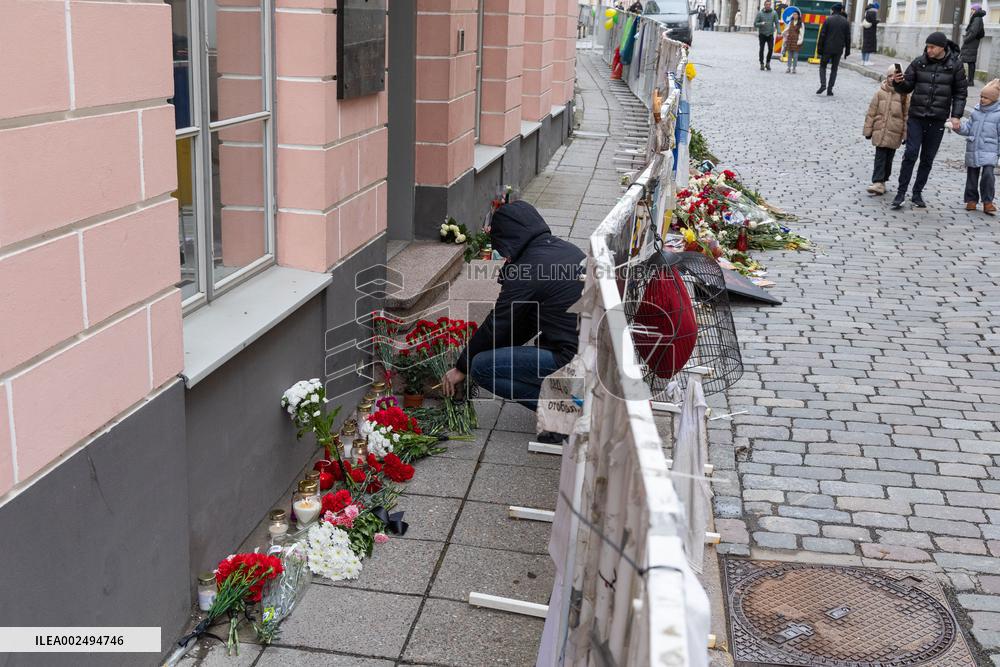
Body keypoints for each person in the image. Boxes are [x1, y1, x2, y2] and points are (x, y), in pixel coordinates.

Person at [441, 201, 585, 417]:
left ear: (508, 237)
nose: (502, 254)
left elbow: (497, 324)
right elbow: (525, 322)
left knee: (481, 366)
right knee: (492, 357)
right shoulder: (564, 249)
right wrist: (500, 350)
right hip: (597, 357)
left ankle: (567, 412)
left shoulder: (526, 269)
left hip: (574, 362)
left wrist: (462, 367)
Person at [889, 31, 968, 209]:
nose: (928, 49)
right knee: (911, 153)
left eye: (932, 47)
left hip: (938, 119)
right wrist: (898, 82)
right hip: (917, 116)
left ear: (942, 47)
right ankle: (901, 193)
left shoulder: (955, 65)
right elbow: (906, 88)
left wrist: (956, 115)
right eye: (927, 46)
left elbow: (960, 93)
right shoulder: (919, 62)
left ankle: (917, 193)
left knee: (927, 158)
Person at [953, 79, 1000, 215]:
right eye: (981, 96)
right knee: (972, 175)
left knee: (988, 176)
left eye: (986, 97)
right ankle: (971, 200)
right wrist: (957, 127)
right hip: (974, 147)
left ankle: (988, 202)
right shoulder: (976, 112)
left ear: (993, 99)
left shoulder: (998, 114)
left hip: (990, 150)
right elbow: (968, 128)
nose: (982, 99)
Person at [864, 66, 910, 195]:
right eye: (889, 76)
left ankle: (883, 180)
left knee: (889, 158)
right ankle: (878, 181)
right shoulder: (879, 93)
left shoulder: (904, 95)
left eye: (894, 76)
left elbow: (907, 116)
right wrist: (868, 130)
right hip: (880, 131)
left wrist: (906, 134)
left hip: (895, 132)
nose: (892, 79)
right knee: (880, 156)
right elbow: (871, 112)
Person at [816, 3, 851, 95]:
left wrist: (819, 48)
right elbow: (848, 37)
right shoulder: (845, 22)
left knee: (823, 66)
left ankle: (823, 84)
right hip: (838, 49)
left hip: (827, 48)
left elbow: (822, 35)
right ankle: (830, 89)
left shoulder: (828, 20)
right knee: (834, 69)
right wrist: (847, 50)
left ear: (833, 10)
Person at [961, 4, 986, 86]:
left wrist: (966, 39)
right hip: (973, 42)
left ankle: (968, 80)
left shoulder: (977, 18)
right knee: (970, 61)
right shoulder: (978, 18)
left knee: (968, 61)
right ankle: (969, 80)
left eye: (973, 9)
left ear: (976, 10)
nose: (971, 11)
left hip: (971, 42)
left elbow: (973, 32)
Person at [755, 0, 781, 70]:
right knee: (761, 49)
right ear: (764, 5)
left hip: (770, 34)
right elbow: (755, 24)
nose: (768, 6)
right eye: (767, 5)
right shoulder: (760, 13)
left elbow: (777, 23)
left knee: (770, 49)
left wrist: (779, 31)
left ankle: (768, 63)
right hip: (762, 34)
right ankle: (761, 63)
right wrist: (761, 24)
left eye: (769, 5)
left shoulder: (774, 13)